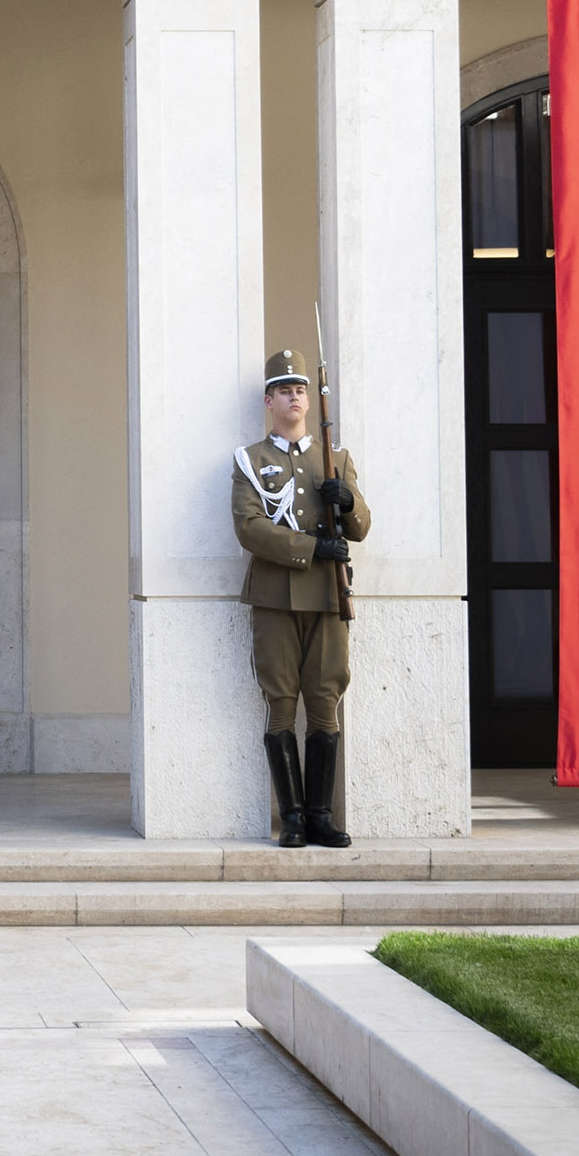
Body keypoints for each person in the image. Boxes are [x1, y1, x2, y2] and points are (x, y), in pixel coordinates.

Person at [229, 348, 370, 850]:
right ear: (270, 401)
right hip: (275, 596)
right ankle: (290, 817)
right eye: (285, 390)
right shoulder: (252, 460)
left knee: (326, 700)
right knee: (282, 702)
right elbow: (250, 528)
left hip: (329, 597)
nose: (295, 397)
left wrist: (346, 500)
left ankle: (319, 817)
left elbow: (362, 527)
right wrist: (312, 547)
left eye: (301, 389)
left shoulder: (336, 457)